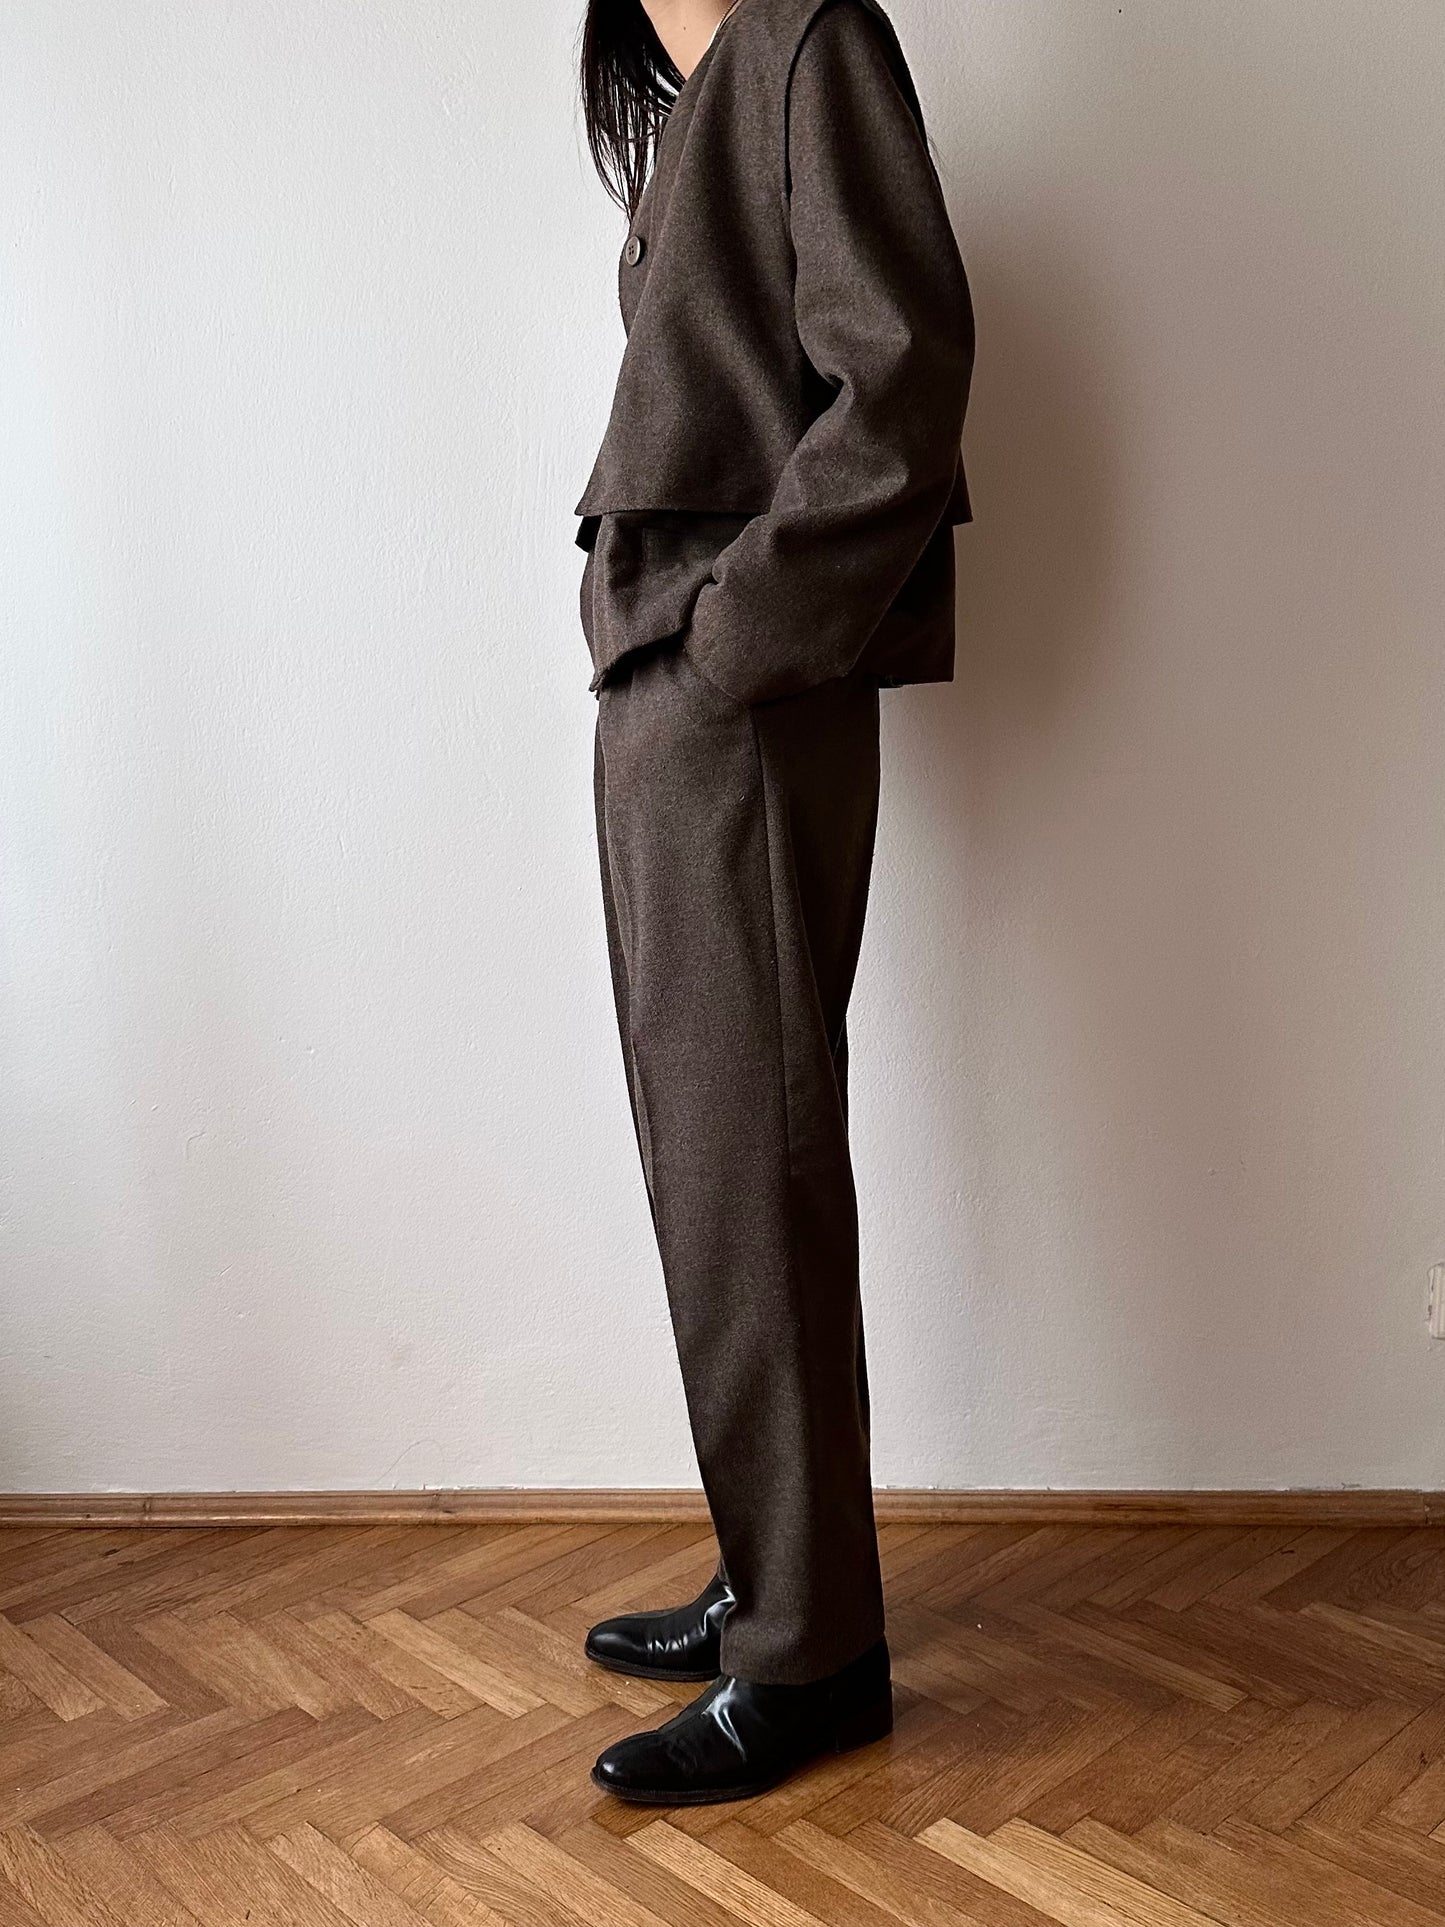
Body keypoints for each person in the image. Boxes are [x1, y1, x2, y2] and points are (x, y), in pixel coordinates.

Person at [574, 0, 974, 1803]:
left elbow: (902, 372)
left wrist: (735, 639)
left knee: (756, 1162)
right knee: (713, 1161)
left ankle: (811, 1657)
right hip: (672, 693)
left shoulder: (813, 39)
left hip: (735, 692)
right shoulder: (709, 91)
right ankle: (773, 1577)